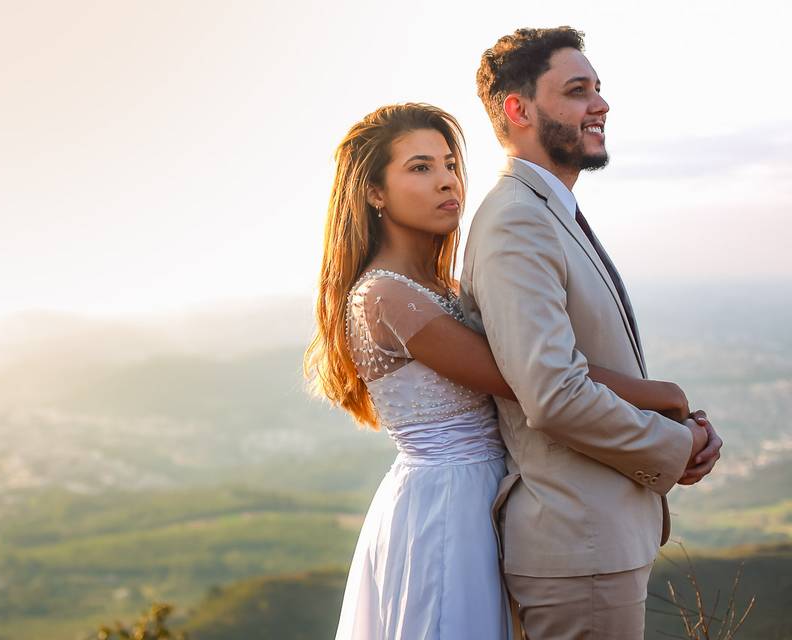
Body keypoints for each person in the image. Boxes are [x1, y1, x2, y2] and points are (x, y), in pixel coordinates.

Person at [304, 103, 705, 639]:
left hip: (490, 496)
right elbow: (527, 377)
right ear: (374, 193)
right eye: (420, 168)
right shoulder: (386, 296)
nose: (447, 182)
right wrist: (661, 395)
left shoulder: (436, 289)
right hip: (447, 507)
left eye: (449, 164)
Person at [462, 27, 723, 638]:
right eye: (577, 91)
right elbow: (553, 394)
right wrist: (672, 447)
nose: (600, 104)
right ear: (518, 109)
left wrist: (675, 426)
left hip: (596, 545)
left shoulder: (549, 211)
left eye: (598, 89)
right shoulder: (516, 221)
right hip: (575, 548)